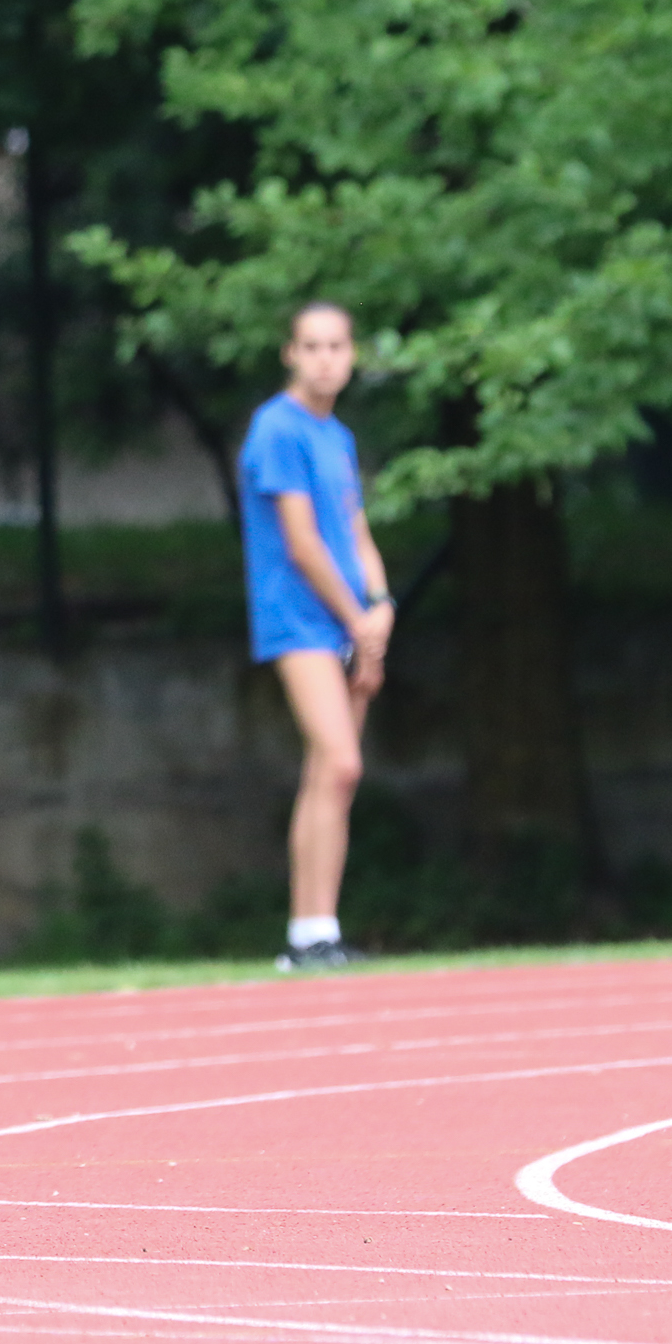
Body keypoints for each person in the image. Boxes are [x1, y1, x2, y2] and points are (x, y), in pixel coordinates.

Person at [238, 300, 392, 974]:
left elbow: (355, 532)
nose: (325, 359)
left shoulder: (339, 437)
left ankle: (314, 932)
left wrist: (380, 606)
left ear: (352, 355)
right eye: (312, 346)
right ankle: (308, 934)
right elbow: (301, 543)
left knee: (332, 776)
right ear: (290, 354)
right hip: (300, 620)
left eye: (337, 346)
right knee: (341, 761)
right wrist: (358, 621)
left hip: (350, 619)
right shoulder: (276, 429)